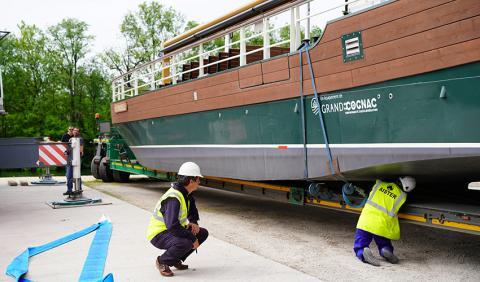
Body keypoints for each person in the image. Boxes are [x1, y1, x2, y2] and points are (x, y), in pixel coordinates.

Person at [147, 162, 209, 277]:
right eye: (198, 179)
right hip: (158, 234)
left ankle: (174, 259)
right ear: (191, 181)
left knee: (202, 233)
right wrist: (191, 237)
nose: (199, 182)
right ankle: (163, 261)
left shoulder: (186, 194)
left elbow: (192, 210)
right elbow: (172, 226)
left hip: (171, 230)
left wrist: (193, 222)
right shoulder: (173, 198)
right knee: (186, 242)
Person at [353, 176, 416, 266]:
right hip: (382, 224)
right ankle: (385, 249)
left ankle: (362, 251)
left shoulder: (379, 183)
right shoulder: (402, 196)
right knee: (383, 239)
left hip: (366, 220)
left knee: (361, 240)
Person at [63, 127, 84, 195]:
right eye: (74, 130)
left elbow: (81, 150)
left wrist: (80, 152)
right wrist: (66, 152)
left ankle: (79, 189)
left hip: (76, 160)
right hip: (69, 160)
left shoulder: (80, 139)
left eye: (77, 131)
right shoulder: (70, 139)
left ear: (78, 132)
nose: (75, 132)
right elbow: (68, 149)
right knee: (69, 176)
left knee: (77, 175)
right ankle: (69, 190)